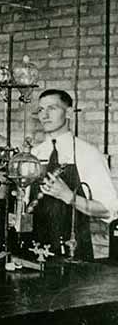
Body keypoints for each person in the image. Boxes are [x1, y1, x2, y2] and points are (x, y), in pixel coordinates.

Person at [28, 89, 118, 260]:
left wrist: (69, 196)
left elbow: (109, 209)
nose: (44, 115)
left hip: (74, 254)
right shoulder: (33, 154)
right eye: (40, 110)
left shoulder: (88, 154)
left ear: (68, 112)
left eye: (52, 108)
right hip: (34, 251)